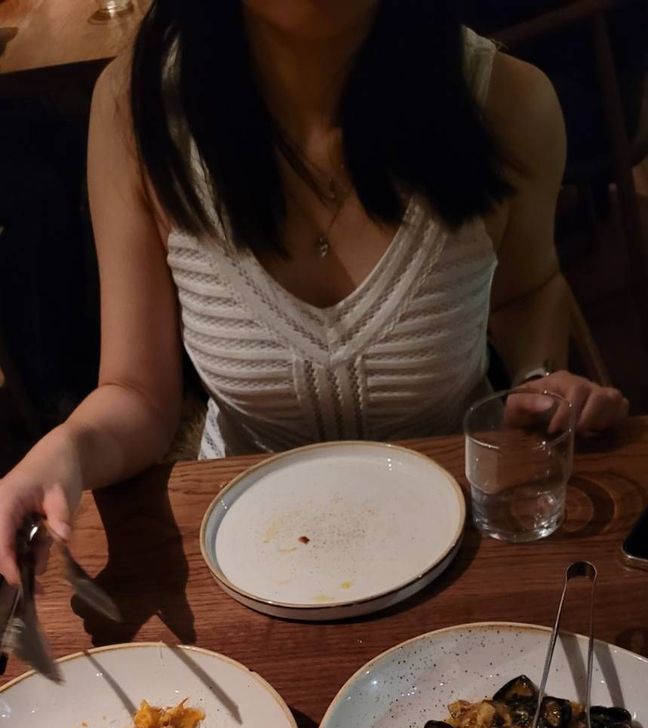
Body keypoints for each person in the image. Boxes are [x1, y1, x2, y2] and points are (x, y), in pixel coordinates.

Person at [0, 0, 629, 585]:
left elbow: (530, 288)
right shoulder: (136, 113)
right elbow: (136, 394)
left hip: (456, 541)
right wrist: (67, 448)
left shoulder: (510, 103)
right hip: (239, 553)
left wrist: (538, 377)